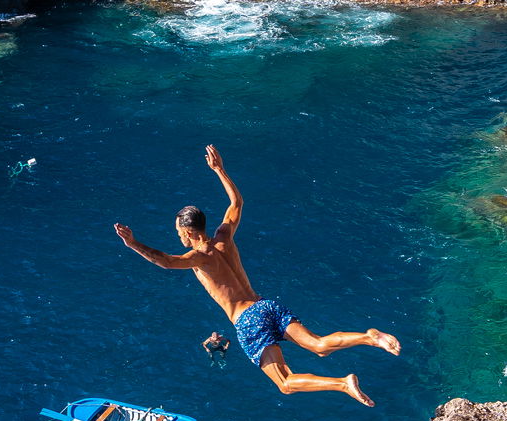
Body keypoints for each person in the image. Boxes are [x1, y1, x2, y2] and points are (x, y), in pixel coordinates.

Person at [115, 145, 399, 406]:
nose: (177, 236)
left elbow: (165, 261)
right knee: (319, 345)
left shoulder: (198, 258)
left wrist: (133, 244)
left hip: (248, 320)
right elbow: (236, 202)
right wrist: (219, 171)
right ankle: (369, 336)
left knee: (285, 383)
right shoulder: (224, 237)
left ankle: (342, 384)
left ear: (188, 232)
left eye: (178, 232)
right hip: (265, 305)